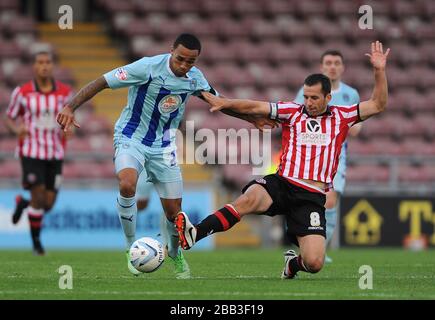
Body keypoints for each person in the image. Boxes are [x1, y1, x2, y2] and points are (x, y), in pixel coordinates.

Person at [56, 33, 274, 278]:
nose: (183, 66)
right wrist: (69, 106)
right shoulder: (147, 67)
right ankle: (130, 248)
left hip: (164, 146)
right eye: (180, 59)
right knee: (127, 183)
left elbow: (218, 102)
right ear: (171, 51)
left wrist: (251, 117)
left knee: (174, 212)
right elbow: (102, 81)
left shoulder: (195, 77)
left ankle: (175, 252)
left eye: (190, 62)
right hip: (131, 137)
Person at [175, 41, 389, 279]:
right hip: (282, 183)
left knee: (315, 263)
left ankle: (292, 265)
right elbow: (256, 106)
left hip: (311, 196)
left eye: (315, 98)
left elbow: (378, 104)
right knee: (248, 200)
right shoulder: (293, 111)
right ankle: (195, 233)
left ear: (328, 97)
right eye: (306, 96)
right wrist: (226, 102)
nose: (309, 102)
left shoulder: (342, 116)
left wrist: (379, 71)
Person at [294, 50, 362, 262]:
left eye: (336, 63)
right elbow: (298, 119)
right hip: (311, 156)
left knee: (330, 201)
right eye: (328, 63)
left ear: (342, 67)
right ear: (322, 67)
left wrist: (339, 120)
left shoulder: (351, 94)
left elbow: (356, 129)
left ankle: (321, 249)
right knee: (307, 201)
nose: (332, 66)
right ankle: (306, 244)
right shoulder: (305, 92)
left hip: (337, 157)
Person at [3, 51, 72, 255]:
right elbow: (9, 117)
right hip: (31, 152)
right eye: (40, 62)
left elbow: (70, 115)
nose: (44, 66)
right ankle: (37, 245)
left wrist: (70, 129)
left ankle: (22, 203)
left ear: (52, 66)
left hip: (55, 153)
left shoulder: (65, 92)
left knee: (47, 204)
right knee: (39, 197)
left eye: (48, 62)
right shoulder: (22, 93)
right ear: (34, 66)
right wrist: (17, 130)